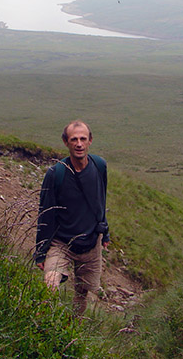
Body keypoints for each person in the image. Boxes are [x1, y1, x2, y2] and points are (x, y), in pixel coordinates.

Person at [34, 120, 109, 315]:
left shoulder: (99, 166)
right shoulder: (55, 174)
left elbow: (100, 200)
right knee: (49, 286)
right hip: (61, 244)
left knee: (82, 293)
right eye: (73, 139)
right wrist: (41, 252)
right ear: (65, 142)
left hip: (91, 242)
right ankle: (42, 328)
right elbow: (46, 213)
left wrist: (105, 232)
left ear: (90, 141)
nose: (79, 144)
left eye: (83, 139)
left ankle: (72, 332)